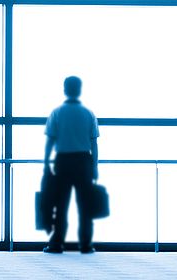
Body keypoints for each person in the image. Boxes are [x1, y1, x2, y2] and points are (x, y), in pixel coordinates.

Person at [42, 75, 99, 254]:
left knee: (61, 203)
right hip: (83, 161)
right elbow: (94, 143)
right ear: (79, 89)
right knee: (85, 205)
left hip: (63, 161)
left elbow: (50, 140)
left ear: (65, 89)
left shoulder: (57, 112)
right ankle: (86, 245)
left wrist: (46, 163)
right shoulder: (88, 113)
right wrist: (95, 166)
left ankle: (57, 243)